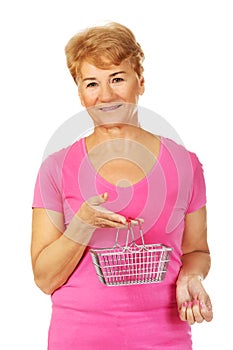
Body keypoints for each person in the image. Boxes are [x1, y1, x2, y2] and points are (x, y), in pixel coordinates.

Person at [31, 22, 213, 350]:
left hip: (165, 337)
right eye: (91, 83)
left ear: (140, 80)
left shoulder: (185, 164)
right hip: (78, 338)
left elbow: (196, 251)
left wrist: (191, 276)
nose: (106, 95)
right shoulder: (56, 168)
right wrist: (82, 226)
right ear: (80, 92)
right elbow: (44, 278)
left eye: (117, 78)